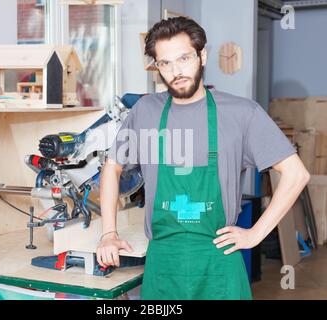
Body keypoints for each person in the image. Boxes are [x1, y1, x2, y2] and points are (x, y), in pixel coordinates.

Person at [96, 17, 310, 300]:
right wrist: (108, 233)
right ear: (157, 67)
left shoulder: (242, 112)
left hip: (219, 262)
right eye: (165, 63)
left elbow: (297, 174)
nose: (176, 71)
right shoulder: (145, 111)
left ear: (202, 55)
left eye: (184, 58)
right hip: (163, 263)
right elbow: (112, 167)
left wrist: (255, 234)